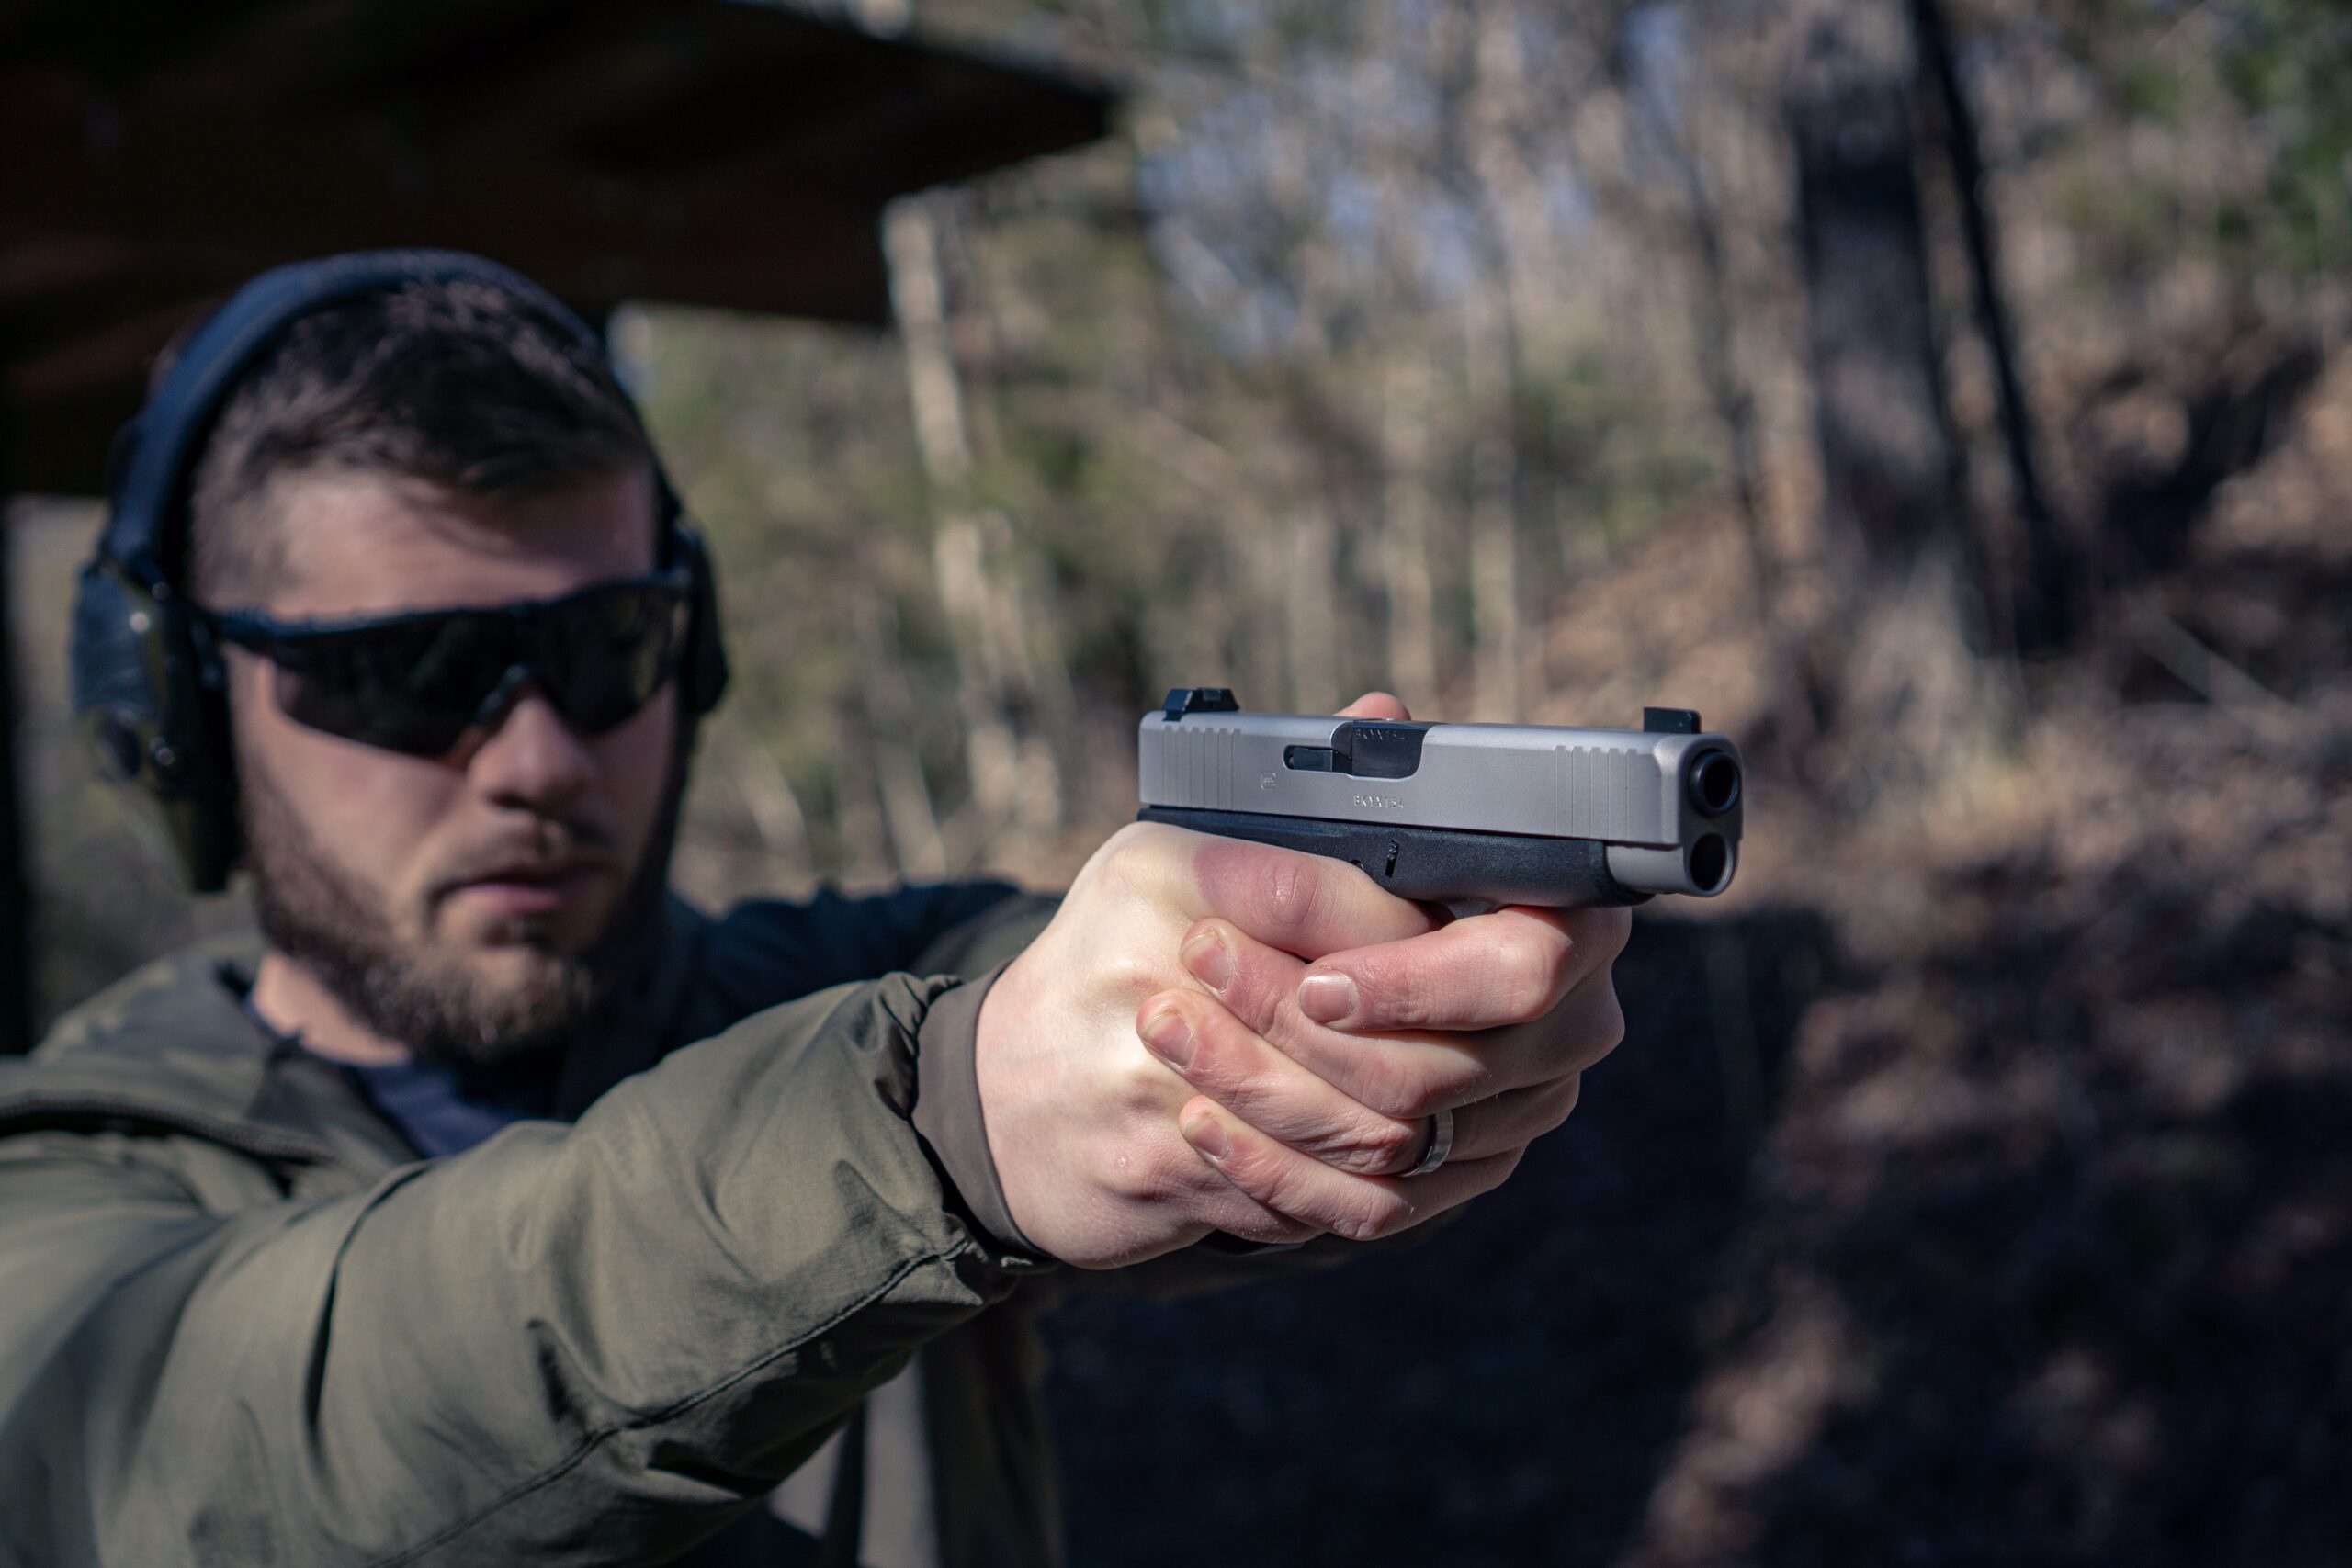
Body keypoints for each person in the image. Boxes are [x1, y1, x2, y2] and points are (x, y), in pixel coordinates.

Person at [0, 253, 1629, 1567]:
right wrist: (937, 1137)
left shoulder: (865, 983)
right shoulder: (69, 1188)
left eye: (607, 650)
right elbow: (249, 1450)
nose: (541, 758)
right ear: (188, 720)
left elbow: (1057, 998)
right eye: (405, 676)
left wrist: (1308, 1005)